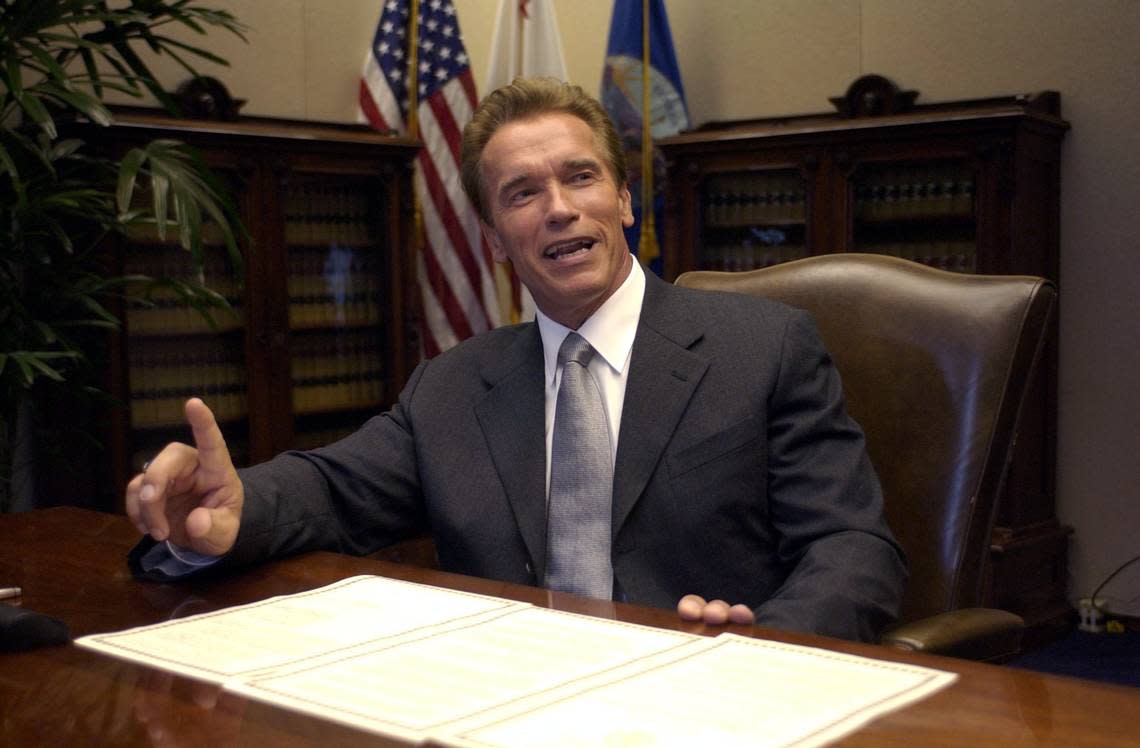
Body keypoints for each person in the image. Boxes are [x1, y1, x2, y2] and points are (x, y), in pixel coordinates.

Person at [126, 77, 905, 642]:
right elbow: (332, 488)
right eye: (522, 192)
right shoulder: (453, 386)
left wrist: (764, 653)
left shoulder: (763, 349)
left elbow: (853, 549)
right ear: (496, 239)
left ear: (624, 201)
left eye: (580, 176)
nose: (559, 207)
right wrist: (227, 516)